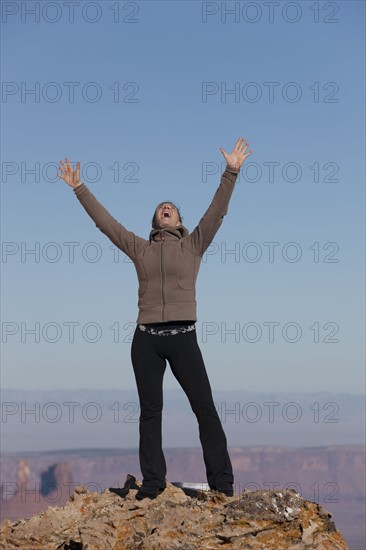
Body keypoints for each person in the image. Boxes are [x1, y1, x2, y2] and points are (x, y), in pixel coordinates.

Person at [57, 137, 253, 500]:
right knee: (150, 413)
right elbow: (106, 223)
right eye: (161, 206)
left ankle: (223, 486)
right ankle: (152, 484)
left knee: (205, 409)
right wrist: (79, 188)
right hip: (145, 339)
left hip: (183, 338)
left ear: (179, 220)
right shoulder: (140, 249)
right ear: (155, 220)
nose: (166, 207)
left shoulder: (193, 245)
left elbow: (217, 212)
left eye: (172, 207)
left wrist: (231, 171)